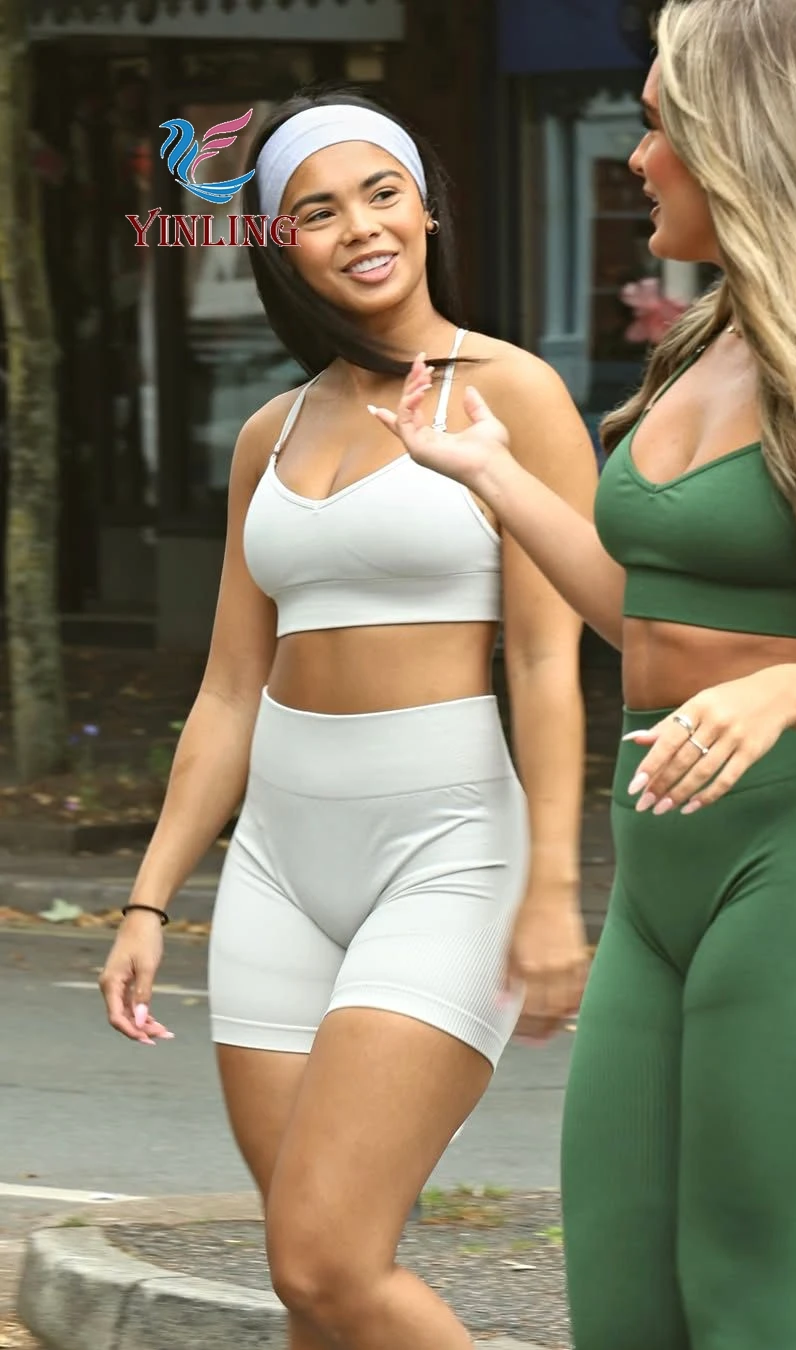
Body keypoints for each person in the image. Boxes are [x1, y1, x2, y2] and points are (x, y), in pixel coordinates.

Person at [372, 1, 796, 1346]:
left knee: (745, 1310)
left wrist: (784, 692)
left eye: (659, 126)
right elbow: (643, 620)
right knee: (619, 1307)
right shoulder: (700, 348)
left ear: (743, 140)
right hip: (658, 880)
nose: (637, 157)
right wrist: (494, 479)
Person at [97, 86, 597, 1350]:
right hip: (277, 861)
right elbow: (229, 687)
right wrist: (149, 900)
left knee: (326, 1257)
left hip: (447, 848)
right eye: (318, 210)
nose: (360, 227)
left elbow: (549, 663)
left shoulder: (515, 393)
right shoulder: (268, 433)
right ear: (283, 246)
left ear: (427, 212)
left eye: (382, 194)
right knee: (313, 1285)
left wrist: (552, 885)